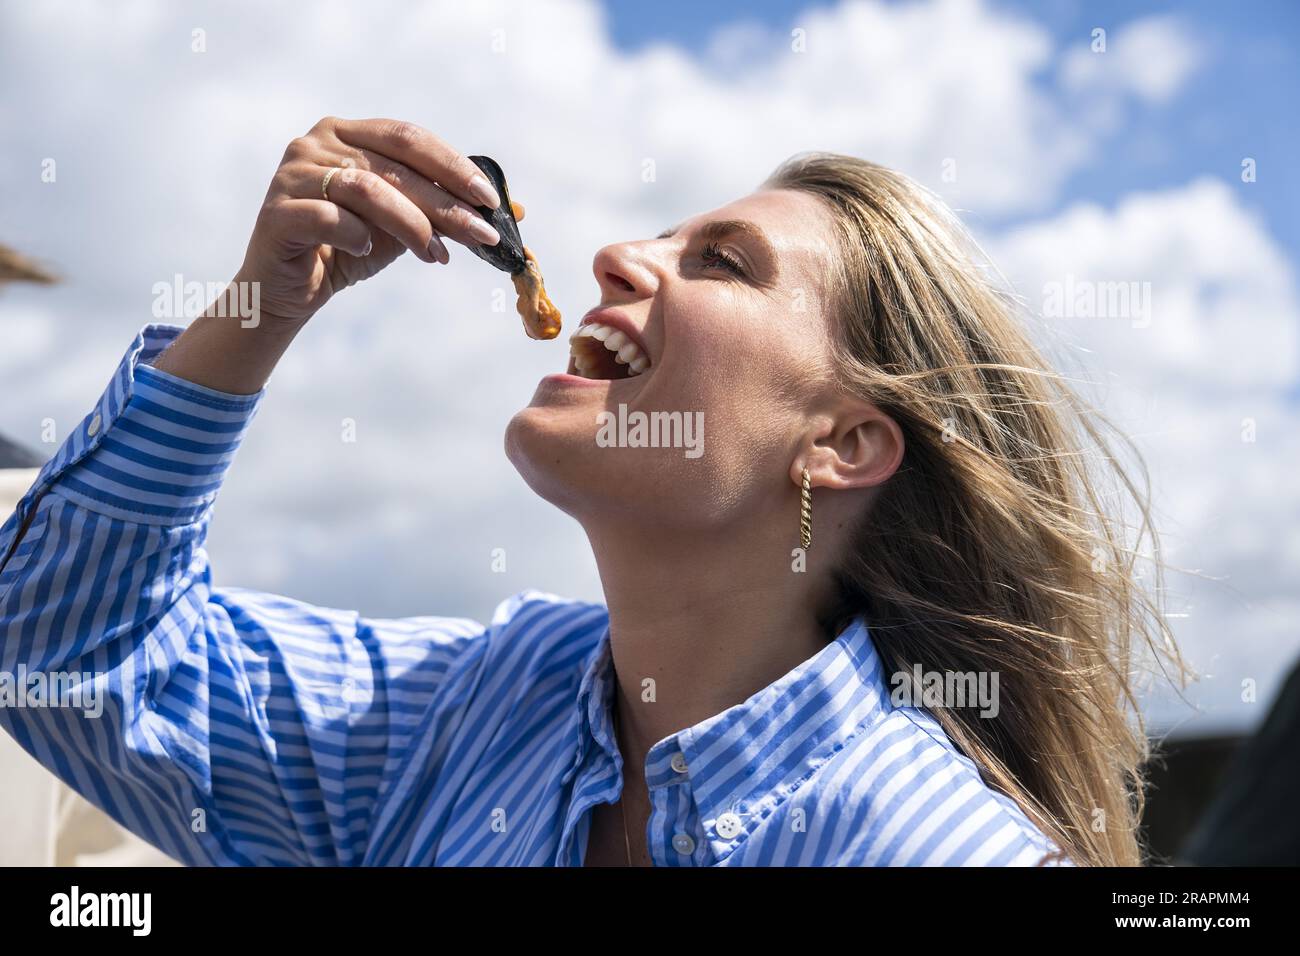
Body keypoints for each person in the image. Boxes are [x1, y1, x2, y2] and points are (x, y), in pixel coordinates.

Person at [0, 117, 1181, 866]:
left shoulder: (915, 845)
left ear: (842, 443)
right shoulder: (463, 712)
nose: (622, 253)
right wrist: (262, 304)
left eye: (719, 261)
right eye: (661, 235)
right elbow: (60, 649)